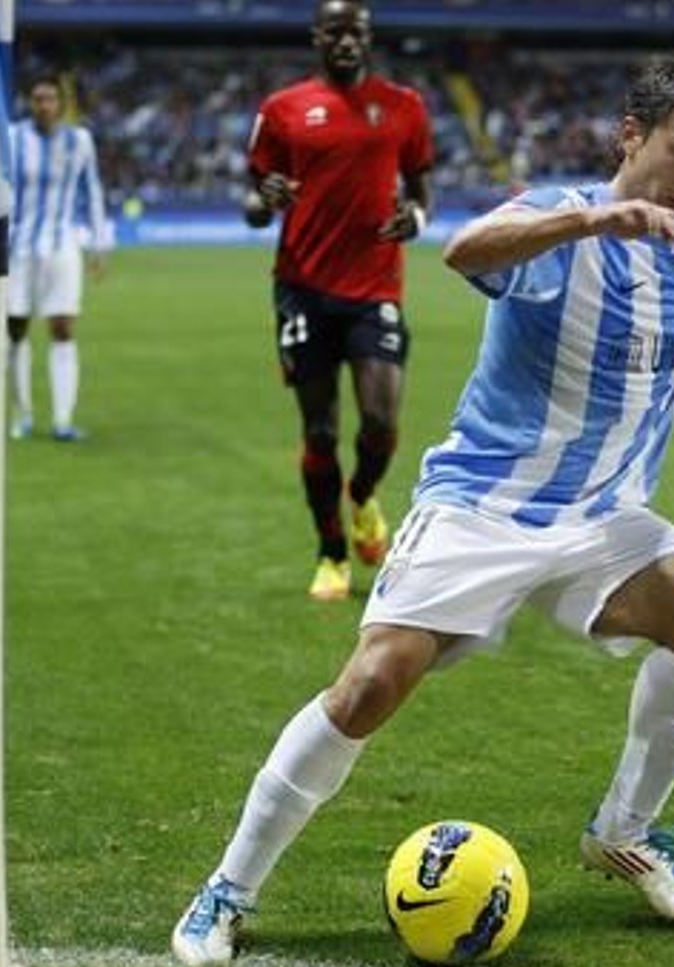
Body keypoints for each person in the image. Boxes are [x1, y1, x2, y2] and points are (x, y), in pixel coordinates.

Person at [173, 54, 674, 967]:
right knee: (369, 684)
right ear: (631, 137)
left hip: (603, 521)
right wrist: (595, 217)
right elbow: (464, 249)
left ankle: (627, 829)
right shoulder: (555, 218)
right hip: (483, 505)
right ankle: (227, 890)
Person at [245, 0, 435, 601]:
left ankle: (362, 496)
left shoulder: (404, 106)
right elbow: (255, 200)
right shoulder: (282, 110)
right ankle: (331, 554)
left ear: (369, 37)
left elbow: (421, 188)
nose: (347, 41)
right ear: (317, 37)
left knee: (380, 419)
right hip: (301, 287)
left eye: (357, 31)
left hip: (375, 286)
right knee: (320, 430)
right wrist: (263, 199)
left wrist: (418, 217)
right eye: (336, 31)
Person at [7, 73, 110, 442]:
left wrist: (100, 245)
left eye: (50, 98)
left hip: (63, 245)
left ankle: (63, 419)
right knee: (15, 330)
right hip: (17, 247)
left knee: (63, 328)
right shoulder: (12, 138)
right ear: (29, 103)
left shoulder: (79, 140)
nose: (44, 105)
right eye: (38, 98)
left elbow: (92, 190)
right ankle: (23, 415)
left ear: (60, 104)